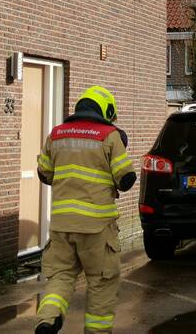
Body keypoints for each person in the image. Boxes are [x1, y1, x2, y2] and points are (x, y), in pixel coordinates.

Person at [35, 86, 136, 334]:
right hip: (97, 228)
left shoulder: (56, 134)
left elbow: (44, 173)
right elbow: (126, 177)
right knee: (101, 283)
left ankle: (47, 320)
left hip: (61, 225)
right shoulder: (109, 135)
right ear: (106, 110)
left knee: (60, 277)